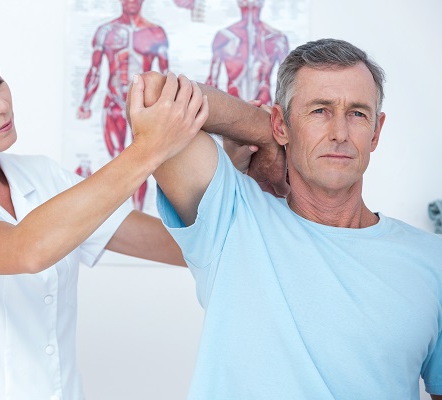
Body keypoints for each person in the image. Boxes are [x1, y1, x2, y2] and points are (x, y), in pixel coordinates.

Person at [0, 26, 213, 400]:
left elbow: (172, 246)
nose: (1, 105)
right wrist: (150, 148)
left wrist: (233, 183)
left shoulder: (43, 177)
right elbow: (26, 250)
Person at [128, 39, 442, 399]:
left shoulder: (433, 261)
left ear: (376, 131)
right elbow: (153, 95)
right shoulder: (231, 219)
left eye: (357, 113)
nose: (340, 133)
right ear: (282, 123)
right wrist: (263, 129)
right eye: (319, 111)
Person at [77, 0, 169, 211]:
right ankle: (120, 217)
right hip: (114, 103)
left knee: (141, 162)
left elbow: (165, 75)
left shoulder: (156, 33)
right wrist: (85, 103)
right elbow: (95, 69)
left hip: (144, 106)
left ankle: (138, 214)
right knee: (118, 161)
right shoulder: (105, 31)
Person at [205, 0, 289, 105]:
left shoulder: (277, 38)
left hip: (264, 110)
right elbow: (212, 82)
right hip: (233, 108)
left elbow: (288, 83)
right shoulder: (225, 36)